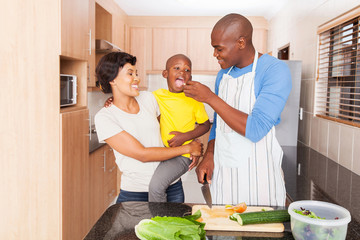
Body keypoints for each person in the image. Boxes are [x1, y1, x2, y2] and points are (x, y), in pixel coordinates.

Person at [183, 13, 292, 206]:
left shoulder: (274, 71)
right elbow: (219, 123)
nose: (215, 54)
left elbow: (256, 129)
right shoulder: (223, 75)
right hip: (225, 179)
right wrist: (209, 155)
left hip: (260, 183)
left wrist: (209, 97)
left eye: (219, 49)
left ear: (241, 42)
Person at [94, 51, 203, 203]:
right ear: (112, 80)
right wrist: (189, 148)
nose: (137, 79)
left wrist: (192, 140)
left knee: (175, 227)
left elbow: (174, 123)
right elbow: (142, 154)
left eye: (136, 73)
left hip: (172, 186)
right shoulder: (105, 117)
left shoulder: (148, 98)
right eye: (130, 73)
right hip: (135, 194)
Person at [148, 54, 211, 202]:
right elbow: (131, 100)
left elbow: (205, 124)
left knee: (156, 187)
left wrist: (185, 136)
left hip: (182, 156)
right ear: (165, 74)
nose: (182, 72)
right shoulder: (156, 96)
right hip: (164, 151)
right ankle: (164, 219)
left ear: (190, 76)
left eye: (187, 70)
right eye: (176, 68)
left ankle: (158, 222)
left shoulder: (194, 100)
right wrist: (112, 98)